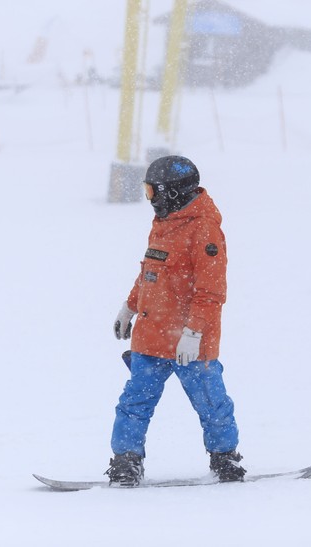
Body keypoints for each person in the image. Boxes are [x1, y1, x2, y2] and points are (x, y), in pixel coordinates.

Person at [107, 155, 246, 487]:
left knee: (212, 403)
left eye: (152, 192)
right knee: (133, 403)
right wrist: (129, 308)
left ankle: (225, 459)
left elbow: (211, 291)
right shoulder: (164, 222)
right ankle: (126, 462)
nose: (149, 200)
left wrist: (193, 332)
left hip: (190, 343)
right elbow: (150, 272)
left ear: (172, 193)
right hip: (152, 335)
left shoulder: (204, 229)